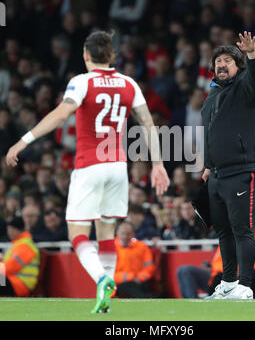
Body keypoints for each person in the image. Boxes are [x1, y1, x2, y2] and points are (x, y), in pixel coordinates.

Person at [6, 30, 169, 313]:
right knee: (106, 232)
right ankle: (106, 297)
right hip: (118, 168)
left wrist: (23, 141)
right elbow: (148, 125)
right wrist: (158, 165)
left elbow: (60, 114)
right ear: (112, 55)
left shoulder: (81, 82)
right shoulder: (129, 83)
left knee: (77, 234)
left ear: (85, 55)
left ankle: (102, 278)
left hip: (89, 165)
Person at [200, 32, 255, 299]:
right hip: (217, 174)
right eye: (218, 61)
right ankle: (227, 283)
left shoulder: (246, 88)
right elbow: (209, 134)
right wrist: (207, 165)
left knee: (242, 230)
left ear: (238, 66)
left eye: (228, 60)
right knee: (224, 231)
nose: (222, 65)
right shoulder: (211, 97)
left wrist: (252, 55)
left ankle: (246, 286)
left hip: (243, 170)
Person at [177, 235, 255, 299]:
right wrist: (210, 267)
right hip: (215, 276)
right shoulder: (226, 239)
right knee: (184, 270)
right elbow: (217, 262)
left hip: (231, 278)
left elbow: (254, 266)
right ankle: (191, 303)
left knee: (185, 270)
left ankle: (195, 305)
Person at [0, 213, 40, 297]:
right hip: (14, 281)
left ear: (16, 230)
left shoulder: (25, 245)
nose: (8, 232)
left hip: (20, 284)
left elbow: (10, 267)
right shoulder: (19, 244)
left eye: (10, 229)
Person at [114, 221, 156, 298]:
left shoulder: (141, 247)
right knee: (129, 286)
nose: (125, 236)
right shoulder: (111, 248)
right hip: (118, 284)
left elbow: (149, 268)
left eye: (128, 234)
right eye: (123, 233)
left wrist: (139, 278)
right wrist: (129, 277)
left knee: (134, 286)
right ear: (117, 233)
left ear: (133, 234)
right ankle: (146, 299)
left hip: (139, 282)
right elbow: (107, 272)